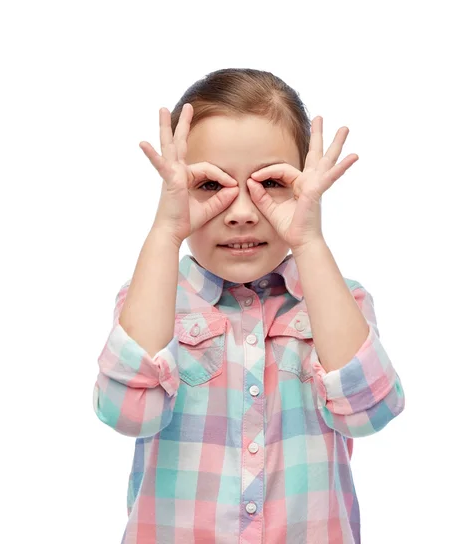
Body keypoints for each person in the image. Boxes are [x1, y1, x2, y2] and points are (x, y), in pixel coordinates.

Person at [93, 68, 405, 544]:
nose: (241, 212)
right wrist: (165, 231)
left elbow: (371, 411)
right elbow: (126, 412)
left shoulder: (341, 300)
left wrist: (309, 240)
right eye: (210, 186)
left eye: (271, 183)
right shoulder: (152, 300)